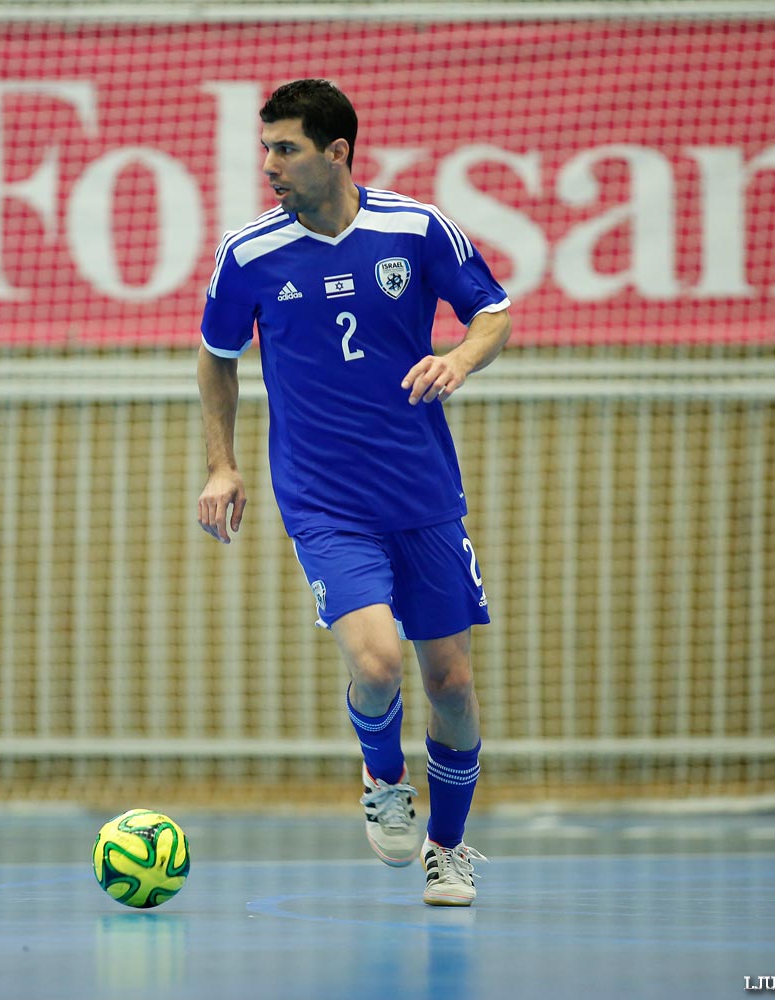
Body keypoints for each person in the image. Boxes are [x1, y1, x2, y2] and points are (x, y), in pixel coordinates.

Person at [195, 78, 510, 906]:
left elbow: (494, 312)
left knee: (450, 683)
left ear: (336, 152)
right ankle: (382, 776)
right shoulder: (249, 254)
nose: (268, 164)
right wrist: (223, 464)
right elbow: (215, 353)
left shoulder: (415, 228)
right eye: (264, 146)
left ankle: (448, 847)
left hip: (423, 492)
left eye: (285, 148)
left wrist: (460, 359)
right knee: (376, 664)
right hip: (324, 500)